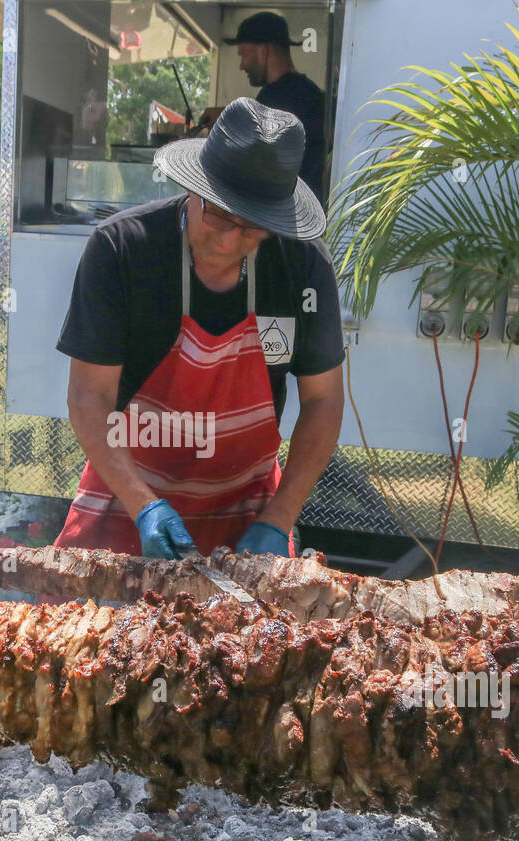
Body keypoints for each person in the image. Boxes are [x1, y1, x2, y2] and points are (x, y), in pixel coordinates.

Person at [53, 98, 344, 559]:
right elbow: (90, 396)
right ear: (194, 186)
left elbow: (324, 400)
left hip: (249, 507)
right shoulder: (122, 250)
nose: (229, 240)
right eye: (220, 215)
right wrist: (143, 506)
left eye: (252, 228)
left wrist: (279, 518)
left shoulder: (303, 265)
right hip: (128, 497)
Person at [226, 11, 327, 201]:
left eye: (244, 56)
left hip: (283, 214)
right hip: (309, 211)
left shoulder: (273, 99)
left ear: (263, 51)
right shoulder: (311, 94)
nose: (241, 65)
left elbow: (254, 164)